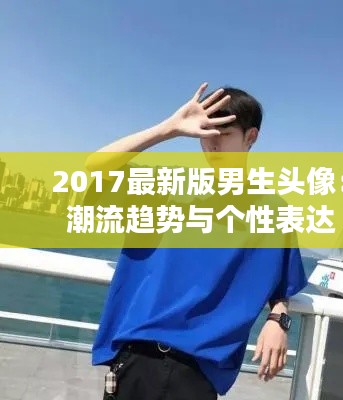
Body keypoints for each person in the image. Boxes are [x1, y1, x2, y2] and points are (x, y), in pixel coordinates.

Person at [87, 83, 307, 399]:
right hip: (137, 358)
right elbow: (95, 166)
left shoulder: (272, 211)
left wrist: (278, 320)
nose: (212, 144)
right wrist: (169, 128)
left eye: (223, 133)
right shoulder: (166, 189)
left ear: (251, 137)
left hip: (198, 374)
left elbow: (281, 283)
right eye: (205, 132)